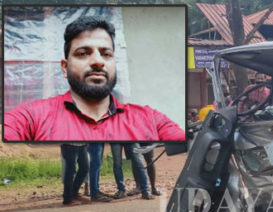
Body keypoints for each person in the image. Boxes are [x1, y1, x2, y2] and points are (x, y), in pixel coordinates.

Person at [4, 16, 185, 141]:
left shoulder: (151, 120)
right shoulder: (30, 117)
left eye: (106, 54)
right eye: (83, 53)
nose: (98, 61)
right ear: (65, 67)